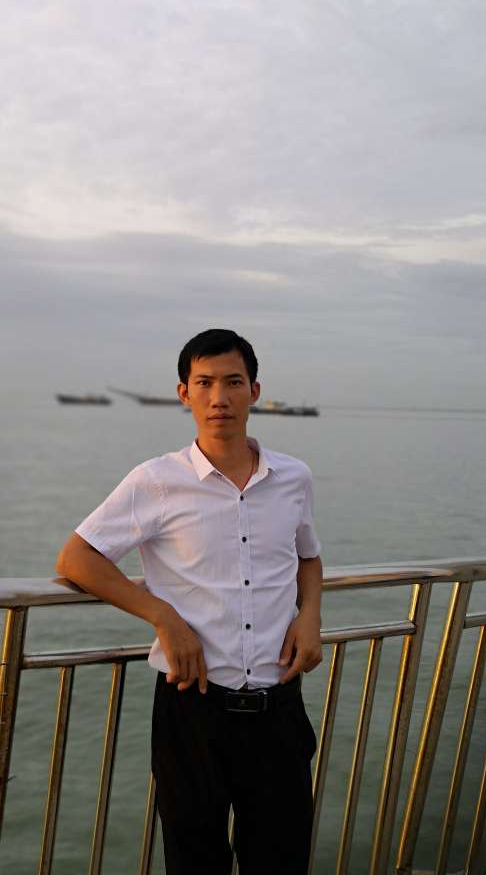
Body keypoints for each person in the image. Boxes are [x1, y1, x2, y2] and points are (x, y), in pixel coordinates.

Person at [55, 328, 323, 874]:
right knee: (194, 861)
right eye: (204, 383)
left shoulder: (293, 477)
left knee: (282, 859)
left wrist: (311, 616)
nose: (219, 397)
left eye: (233, 382)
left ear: (255, 391)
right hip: (192, 710)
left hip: (279, 708)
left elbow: (308, 557)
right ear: (184, 393)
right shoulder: (157, 480)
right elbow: (77, 559)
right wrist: (162, 616)